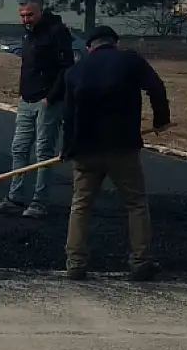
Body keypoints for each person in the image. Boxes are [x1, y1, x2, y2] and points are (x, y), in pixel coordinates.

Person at [60, 25, 170, 281]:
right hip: (122, 146)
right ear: (115, 43)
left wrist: (67, 149)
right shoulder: (129, 60)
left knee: (80, 206)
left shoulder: (75, 71)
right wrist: (160, 120)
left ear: (90, 47)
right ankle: (140, 262)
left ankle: (75, 263)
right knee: (136, 203)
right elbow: (156, 87)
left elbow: (68, 116)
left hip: (85, 149)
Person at [0, 0, 74, 218]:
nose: (26, 19)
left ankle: (39, 202)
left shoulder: (57, 32)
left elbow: (67, 68)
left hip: (48, 102)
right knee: (19, 149)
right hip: (26, 100)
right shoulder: (29, 35)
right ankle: (15, 197)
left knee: (43, 152)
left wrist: (51, 97)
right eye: (23, 15)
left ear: (40, 11)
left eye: (30, 14)